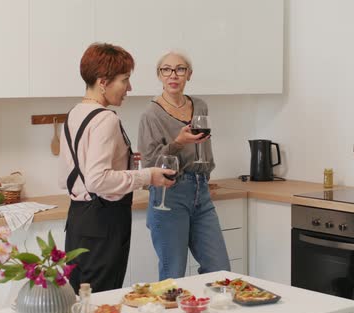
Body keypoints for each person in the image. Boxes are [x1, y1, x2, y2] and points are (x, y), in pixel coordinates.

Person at [60, 43, 175, 294]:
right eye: (125, 80)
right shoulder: (106, 118)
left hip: (78, 221)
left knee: (81, 302)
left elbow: (71, 174)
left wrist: (123, 161)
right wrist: (148, 175)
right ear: (103, 82)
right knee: (103, 302)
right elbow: (97, 180)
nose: (129, 88)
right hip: (104, 223)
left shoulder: (74, 113)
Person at [138, 50, 230, 280]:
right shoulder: (151, 114)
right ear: (159, 75)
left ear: (189, 74)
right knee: (173, 275)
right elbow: (150, 164)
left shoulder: (200, 106)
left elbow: (203, 147)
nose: (173, 75)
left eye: (180, 69)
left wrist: (204, 174)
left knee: (220, 270)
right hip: (169, 194)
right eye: (166, 70)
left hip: (201, 192)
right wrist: (177, 143)